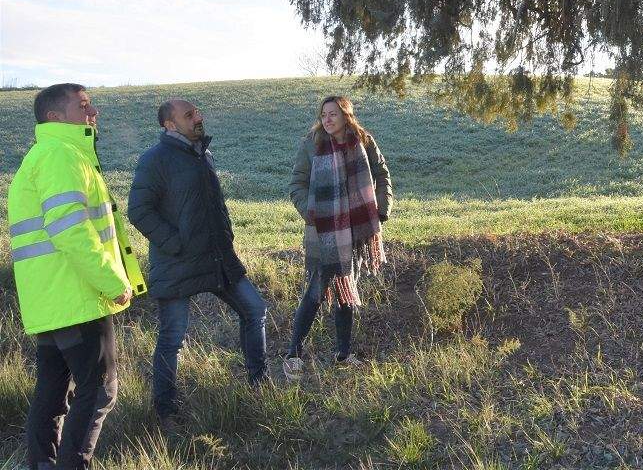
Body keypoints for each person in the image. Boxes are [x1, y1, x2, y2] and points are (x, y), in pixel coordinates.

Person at [8, 83, 145, 470]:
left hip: (53, 302)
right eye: (83, 105)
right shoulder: (61, 155)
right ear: (55, 117)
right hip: (76, 297)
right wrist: (111, 281)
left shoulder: (46, 154)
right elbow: (70, 229)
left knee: (52, 396)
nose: (93, 112)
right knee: (100, 391)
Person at [127, 98, 267, 421]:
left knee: (255, 309)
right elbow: (138, 210)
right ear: (170, 125)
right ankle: (165, 410)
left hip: (217, 257)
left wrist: (227, 233)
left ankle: (259, 386)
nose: (198, 117)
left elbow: (215, 203)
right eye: (189, 114)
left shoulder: (203, 154)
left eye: (198, 111)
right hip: (176, 262)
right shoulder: (155, 159)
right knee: (173, 337)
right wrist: (174, 243)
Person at [283, 95, 391, 378]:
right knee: (315, 292)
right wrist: (310, 211)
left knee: (347, 290)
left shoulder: (364, 142)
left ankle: (343, 354)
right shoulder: (311, 145)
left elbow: (381, 174)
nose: (327, 119)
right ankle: (293, 354)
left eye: (332, 114)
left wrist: (380, 211)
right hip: (323, 230)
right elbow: (297, 183)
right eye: (323, 114)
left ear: (345, 115)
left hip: (355, 230)